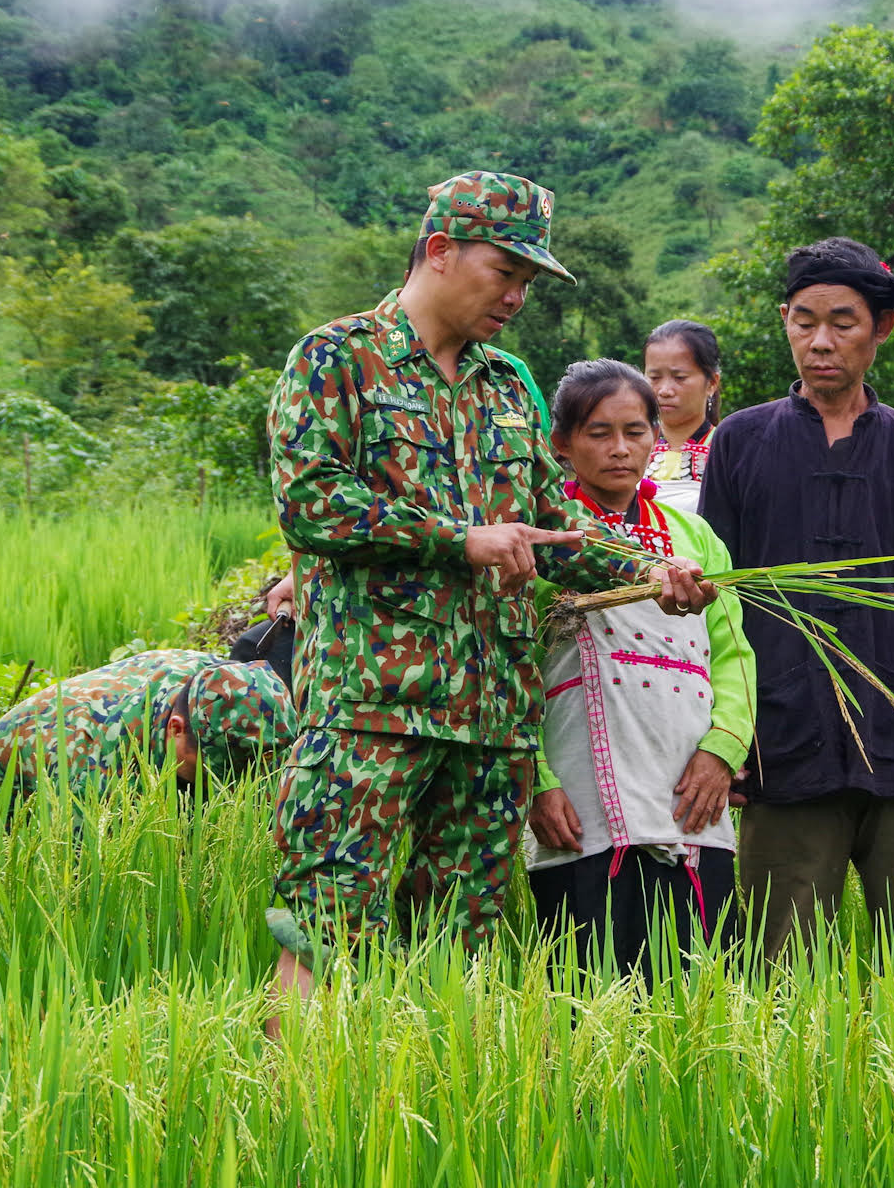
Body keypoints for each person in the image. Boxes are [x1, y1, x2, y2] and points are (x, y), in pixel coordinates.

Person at [262, 172, 716, 1022]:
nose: (516, 297)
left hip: (490, 718)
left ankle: (426, 1114)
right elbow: (311, 501)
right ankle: (292, 1113)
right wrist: (457, 538)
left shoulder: (508, 383)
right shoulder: (336, 358)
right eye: (503, 272)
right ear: (440, 252)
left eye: (528, 282)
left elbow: (552, 524)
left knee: (456, 944)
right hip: (372, 706)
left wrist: (647, 574)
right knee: (325, 923)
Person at [700, 236, 894, 969]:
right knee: (780, 972)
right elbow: (717, 608)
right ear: (784, 321)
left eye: (842, 322)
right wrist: (722, 741)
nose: (819, 342)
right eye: (803, 322)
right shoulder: (739, 442)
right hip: (781, 742)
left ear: (882, 329)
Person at [524, 359, 755, 980]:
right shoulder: (543, 540)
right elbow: (510, 664)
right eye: (599, 433)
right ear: (561, 444)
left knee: (701, 983)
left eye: (635, 430)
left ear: (658, 436)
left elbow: (733, 655)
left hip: (688, 783)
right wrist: (536, 779)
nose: (620, 449)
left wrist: (723, 750)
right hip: (578, 794)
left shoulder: (692, 535)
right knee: (591, 980)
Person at [0, 650, 294, 838]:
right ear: (176, 729)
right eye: (218, 770)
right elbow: (84, 890)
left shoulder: (226, 684)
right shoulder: (86, 757)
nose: (232, 785)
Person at [642, 319, 724, 512]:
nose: (664, 390)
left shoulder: (728, 451)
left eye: (679, 378)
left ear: (712, 382)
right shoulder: (630, 447)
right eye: (654, 378)